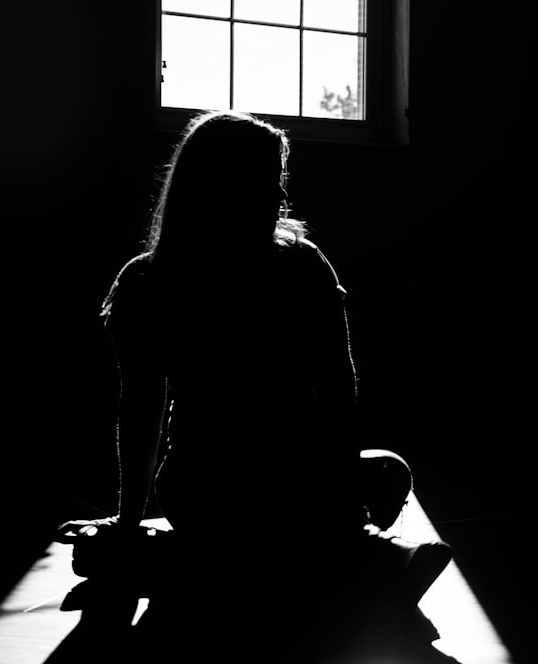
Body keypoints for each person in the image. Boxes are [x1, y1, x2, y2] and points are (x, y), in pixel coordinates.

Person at [57, 110, 374, 662]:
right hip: (286, 483)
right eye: (268, 178)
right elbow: (339, 388)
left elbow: (141, 411)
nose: (280, 193)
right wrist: (335, 483)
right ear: (229, 187)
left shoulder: (147, 280)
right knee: (386, 476)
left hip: (203, 489)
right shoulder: (302, 267)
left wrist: (130, 520)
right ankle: (338, 558)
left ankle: (188, 561)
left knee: (354, 490)